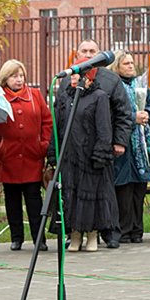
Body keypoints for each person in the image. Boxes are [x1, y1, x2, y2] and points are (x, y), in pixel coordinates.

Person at [47, 62, 120, 252]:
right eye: (71, 76)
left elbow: (104, 128)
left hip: (89, 156)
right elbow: (57, 127)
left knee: (90, 196)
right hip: (69, 157)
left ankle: (92, 234)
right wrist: (54, 153)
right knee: (71, 196)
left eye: (77, 76)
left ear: (88, 78)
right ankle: (75, 234)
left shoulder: (99, 97)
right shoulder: (64, 99)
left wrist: (101, 153)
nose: (73, 79)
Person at [0, 59, 52, 251]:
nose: (19, 80)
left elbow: (47, 121)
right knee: (12, 199)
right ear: (6, 78)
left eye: (21, 75)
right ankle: (16, 237)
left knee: (34, 199)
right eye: (14, 76)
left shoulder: (35, 95)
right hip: (8, 158)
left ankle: (39, 239)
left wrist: (43, 145)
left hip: (32, 156)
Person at [76, 39, 133, 248]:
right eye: (85, 51)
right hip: (76, 148)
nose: (89, 54)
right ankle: (76, 232)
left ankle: (111, 233)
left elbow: (124, 113)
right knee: (78, 192)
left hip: (103, 146)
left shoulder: (110, 80)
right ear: (77, 54)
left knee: (106, 191)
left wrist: (119, 141)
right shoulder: (69, 79)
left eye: (93, 51)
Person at [109, 51, 150, 244]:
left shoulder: (141, 85)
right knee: (124, 188)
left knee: (139, 188)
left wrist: (147, 114)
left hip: (142, 144)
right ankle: (124, 230)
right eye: (126, 63)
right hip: (123, 144)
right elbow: (113, 112)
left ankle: (138, 230)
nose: (131, 66)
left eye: (131, 63)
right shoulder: (113, 86)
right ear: (117, 67)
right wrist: (132, 118)